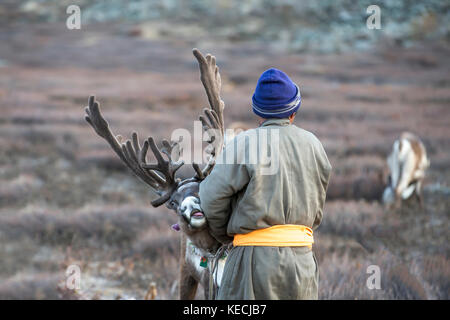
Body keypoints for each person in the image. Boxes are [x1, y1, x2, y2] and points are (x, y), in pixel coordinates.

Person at [199, 68, 332, 299]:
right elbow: (317, 208)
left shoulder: (244, 143)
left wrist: (226, 236)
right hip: (302, 262)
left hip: (251, 262)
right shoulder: (314, 145)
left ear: (257, 114)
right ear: (293, 112)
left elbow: (211, 198)